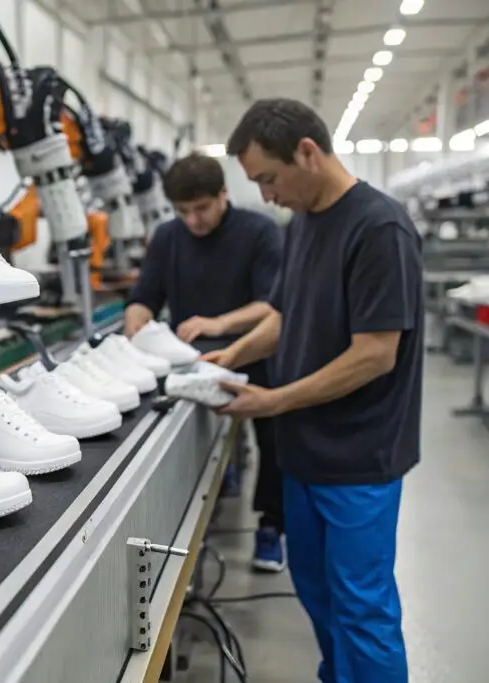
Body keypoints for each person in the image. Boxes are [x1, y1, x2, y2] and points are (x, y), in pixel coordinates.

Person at [207, 98, 422, 683]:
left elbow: (375, 355)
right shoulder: (302, 223)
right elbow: (286, 314)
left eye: (268, 179)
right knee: (319, 597)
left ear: (307, 151)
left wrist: (273, 402)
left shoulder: (379, 227)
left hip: (360, 459)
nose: (267, 196)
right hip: (304, 453)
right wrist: (231, 355)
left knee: (362, 608)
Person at [123, 153, 286, 572]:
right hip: (193, 364)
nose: (193, 220)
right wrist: (135, 324)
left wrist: (219, 322)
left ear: (223, 194)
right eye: (183, 211)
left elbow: (274, 304)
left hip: (255, 353)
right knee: (196, 444)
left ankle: (270, 527)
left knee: (275, 442)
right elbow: (145, 296)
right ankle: (212, 498)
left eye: (201, 208)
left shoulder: (260, 232)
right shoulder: (167, 237)